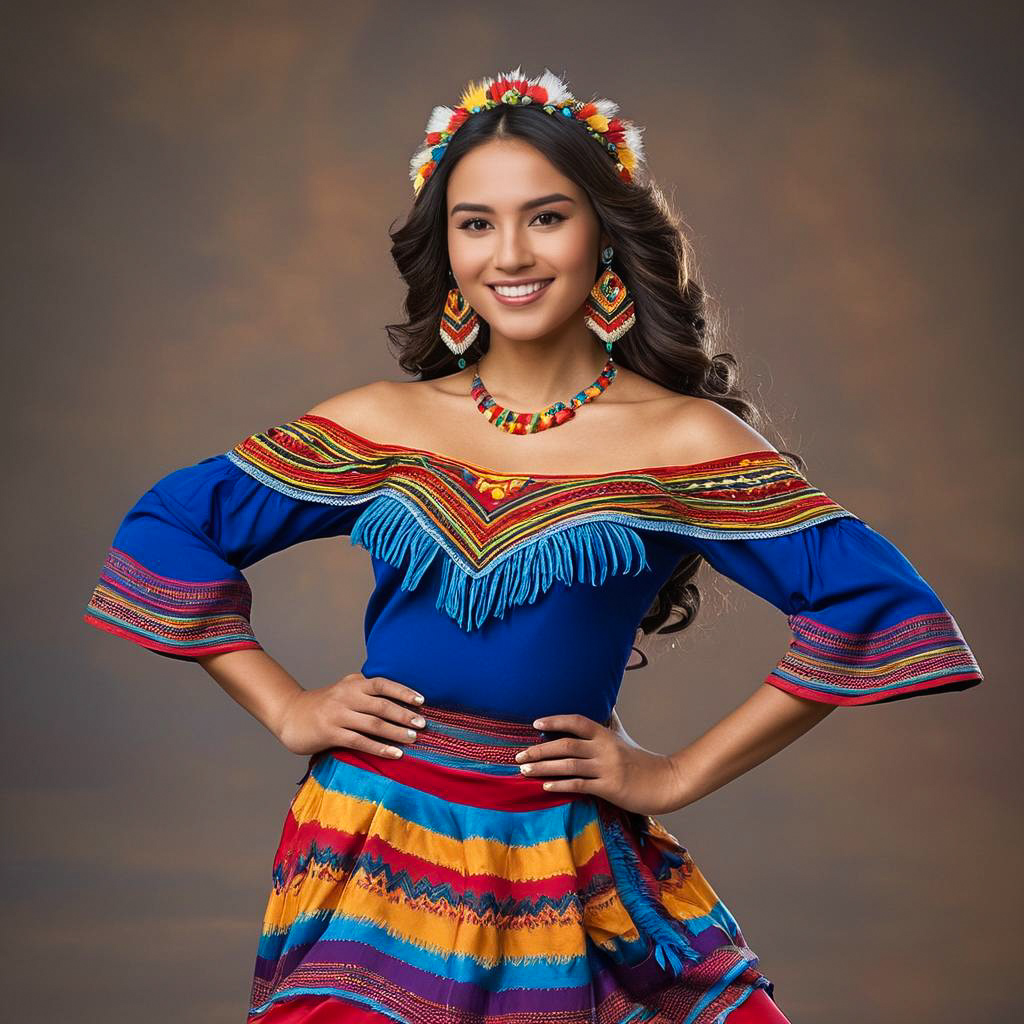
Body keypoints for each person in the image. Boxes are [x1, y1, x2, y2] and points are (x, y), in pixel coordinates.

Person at [83, 67, 984, 1024]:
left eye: (545, 217)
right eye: (475, 223)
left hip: (567, 858)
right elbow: (172, 526)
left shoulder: (685, 441)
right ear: (449, 248)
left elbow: (876, 604)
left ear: (605, 232)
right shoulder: (382, 421)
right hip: (372, 845)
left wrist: (676, 774)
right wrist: (285, 707)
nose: (509, 253)